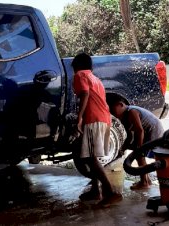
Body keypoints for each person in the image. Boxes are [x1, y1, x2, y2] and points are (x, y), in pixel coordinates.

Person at [72, 53, 122, 204]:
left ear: (77, 65)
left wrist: (79, 117)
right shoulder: (96, 79)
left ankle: (110, 192)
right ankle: (96, 190)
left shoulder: (80, 75)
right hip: (104, 118)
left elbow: (85, 94)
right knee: (89, 156)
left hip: (94, 119)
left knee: (90, 157)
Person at [109, 96, 164, 190]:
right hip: (147, 131)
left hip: (153, 131)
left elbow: (139, 130)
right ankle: (147, 180)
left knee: (139, 155)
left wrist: (139, 148)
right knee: (138, 152)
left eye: (113, 111)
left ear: (121, 105)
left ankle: (144, 182)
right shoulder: (124, 116)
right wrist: (123, 148)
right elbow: (129, 135)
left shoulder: (132, 111)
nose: (113, 114)